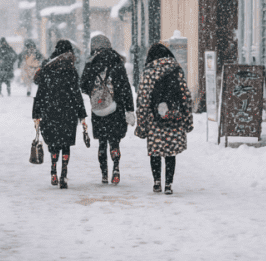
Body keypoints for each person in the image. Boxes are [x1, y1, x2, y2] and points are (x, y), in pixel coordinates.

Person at [135, 42, 193, 195]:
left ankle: (156, 182)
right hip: (174, 117)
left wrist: (141, 124)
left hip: (155, 119)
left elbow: (143, 100)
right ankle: (168, 184)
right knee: (170, 153)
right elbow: (185, 96)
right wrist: (187, 120)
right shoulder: (177, 70)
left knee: (155, 151)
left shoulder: (148, 72)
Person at [80, 34, 135, 185]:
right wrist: (130, 109)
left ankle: (104, 174)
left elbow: (83, 85)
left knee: (102, 142)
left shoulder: (91, 63)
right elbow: (125, 88)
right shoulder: (117, 63)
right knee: (114, 140)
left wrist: (96, 91)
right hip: (116, 108)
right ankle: (116, 166)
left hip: (99, 108)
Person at [32, 40, 88, 189]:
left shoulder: (47, 68)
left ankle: (53, 171)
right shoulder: (71, 70)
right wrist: (82, 115)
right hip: (68, 112)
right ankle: (64, 173)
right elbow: (76, 94)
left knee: (54, 143)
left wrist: (36, 113)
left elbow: (40, 93)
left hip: (50, 112)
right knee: (65, 144)